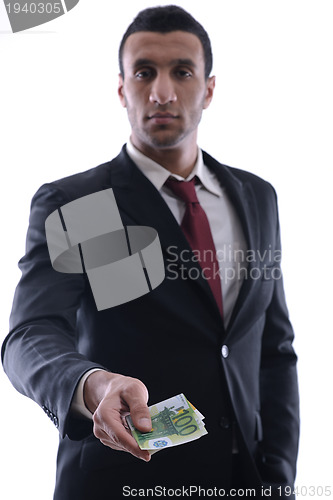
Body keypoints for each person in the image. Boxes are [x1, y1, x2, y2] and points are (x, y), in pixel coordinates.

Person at [2, 5, 299, 499]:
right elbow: (30, 334)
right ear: (122, 89)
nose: (162, 92)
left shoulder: (256, 197)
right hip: (120, 483)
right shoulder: (83, 204)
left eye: (182, 72)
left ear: (208, 88)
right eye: (144, 72)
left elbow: (274, 351)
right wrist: (91, 384)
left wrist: (278, 479)